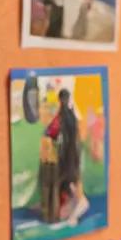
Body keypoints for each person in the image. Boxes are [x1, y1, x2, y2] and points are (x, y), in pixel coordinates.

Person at [47, 88, 88, 225]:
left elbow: (51, 132)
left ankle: (73, 211)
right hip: (72, 155)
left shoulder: (62, 116)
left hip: (67, 156)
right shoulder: (71, 115)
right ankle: (72, 211)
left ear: (60, 100)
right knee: (71, 180)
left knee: (69, 180)